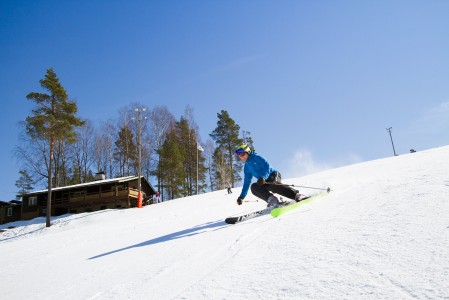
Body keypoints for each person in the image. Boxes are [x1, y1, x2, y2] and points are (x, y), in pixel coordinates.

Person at [234, 144, 306, 207]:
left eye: (243, 154)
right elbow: (246, 182)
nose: (241, 157)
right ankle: (273, 201)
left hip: (273, 174)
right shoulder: (247, 167)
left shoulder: (256, 157)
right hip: (263, 181)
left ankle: (297, 195)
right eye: (239, 156)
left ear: (248, 152)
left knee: (272, 185)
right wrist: (241, 197)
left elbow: (267, 167)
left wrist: (263, 177)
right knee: (254, 187)